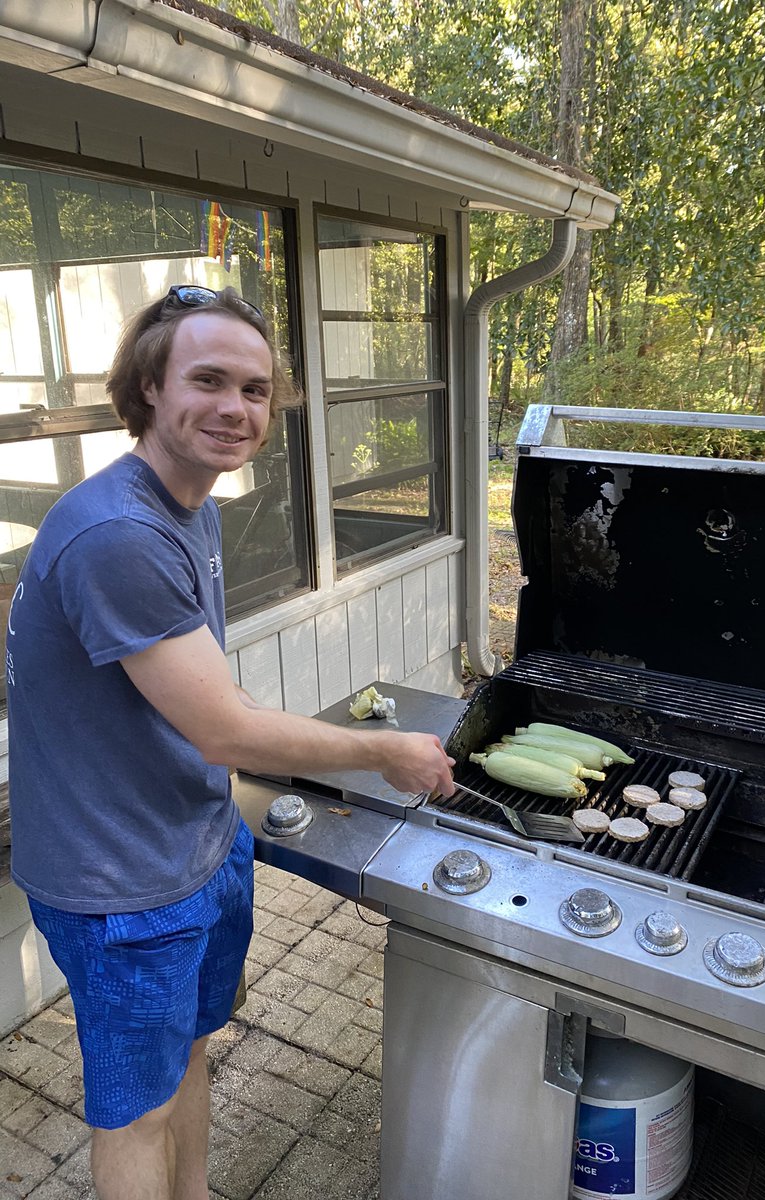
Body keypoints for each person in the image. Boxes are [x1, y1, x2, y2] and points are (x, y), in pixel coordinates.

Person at [6, 284, 455, 1200]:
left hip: (198, 843)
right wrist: (383, 752)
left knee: (193, 1053)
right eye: (207, 380)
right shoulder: (118, 534)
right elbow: (222, 729)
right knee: (136, 1113)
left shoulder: (194, 506)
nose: (235, 408)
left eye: (254, 390)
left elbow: (208, 692)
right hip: (121, 885)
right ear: (149, 387)